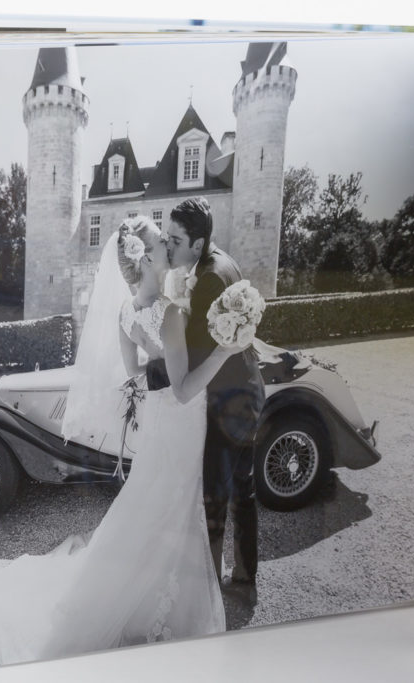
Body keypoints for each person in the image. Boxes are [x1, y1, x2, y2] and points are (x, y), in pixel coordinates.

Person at [0, 217, 249, 671]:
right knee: (173, 506)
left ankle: (142, 596)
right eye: (164, 245)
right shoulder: (173, 310)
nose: (170, 249)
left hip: (159, 420)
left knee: (152, 503)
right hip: (179, 417)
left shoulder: (127, 312)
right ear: (151, 260)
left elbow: (134, 370)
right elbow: (181, 386)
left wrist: (159, 362)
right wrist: (220, 349)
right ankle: (163, 602)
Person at [164, 196, 265, 604]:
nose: (169, 246)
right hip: (248, 390)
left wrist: (161, 358)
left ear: (197, 241)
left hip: (228, 402)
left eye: (175, 239)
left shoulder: (207, 279)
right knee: (244, 489)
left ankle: (207, 595)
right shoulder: (222, 260)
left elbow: (195, 356)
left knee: (215, 500)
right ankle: (244, 576)